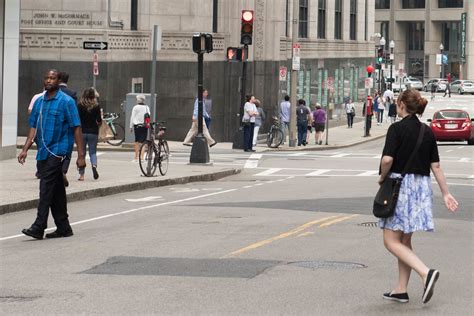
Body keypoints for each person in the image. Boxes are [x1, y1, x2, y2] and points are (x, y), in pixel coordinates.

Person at [378, 88, 458, 305]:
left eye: (397, 101)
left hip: (400, 187)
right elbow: (436, 166)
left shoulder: (396, 129)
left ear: (403, 104)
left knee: (390, 241)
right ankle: (401, 289)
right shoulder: (427, 131)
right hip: (420, 188)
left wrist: (381, 178)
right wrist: (446, 193)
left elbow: (387, 160)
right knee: (404, 240)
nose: (396, 104)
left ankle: (426, 272)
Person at [18, 69, 85, 239]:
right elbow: (33, 127)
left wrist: (81, 156)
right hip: (43, 152)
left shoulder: (66, 102)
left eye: (52, 78)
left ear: (58, 81)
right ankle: (64, 227)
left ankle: (39, 226)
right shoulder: (39, 102)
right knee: (56, 190)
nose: (48, 80)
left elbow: (76, 127)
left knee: (46, 187)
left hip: (59, 151)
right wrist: (25, 148)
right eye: (46, 77)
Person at [57, 71, 78, 187]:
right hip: (68, 127)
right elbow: (74, 112)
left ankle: (53, 171)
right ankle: (63, 170)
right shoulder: (72, 94)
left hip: (54, 125)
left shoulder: (53, 92)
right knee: (67, 151)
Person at [77, 88, 101, 181]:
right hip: (93, 132)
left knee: (82, 153)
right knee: (92, 152)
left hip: (82, 131)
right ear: (93, 96)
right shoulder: (96, 106)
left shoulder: (80, 105)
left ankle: (81, 175)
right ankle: (94, 166)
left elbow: (77, 118)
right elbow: (99, 120)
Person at [129, 94, 151, 161]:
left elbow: (132, 117)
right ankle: (142, 157)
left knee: (137, 141)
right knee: (143, 142)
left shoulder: (135, 107)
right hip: (145, 126)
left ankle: (136, 157)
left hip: (137, 126)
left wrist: (130, 126)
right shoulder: (147, 107)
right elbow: (149, 115)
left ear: (138, 100)